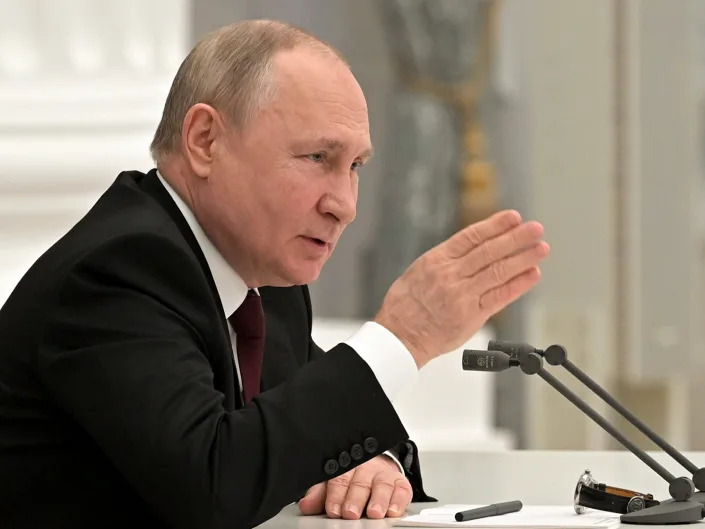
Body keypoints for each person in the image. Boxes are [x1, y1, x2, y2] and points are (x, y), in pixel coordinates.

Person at [0, 19, 549, 529]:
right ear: (205, 141)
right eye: (317, 158)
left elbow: (302, 425)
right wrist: (403, 336)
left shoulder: (265, 282)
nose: (345, 204)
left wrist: (375, 462)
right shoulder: (119, 271)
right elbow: (212, 485)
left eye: (355, 166)